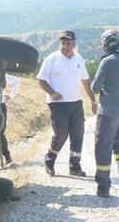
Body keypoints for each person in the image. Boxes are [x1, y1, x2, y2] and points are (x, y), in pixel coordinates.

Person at [37, 30, 97, 177]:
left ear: (74, 44)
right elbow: (41, 79)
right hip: (57, 104)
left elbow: (86, 81)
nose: (65, 46)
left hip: (76, 103)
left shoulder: (79, 59)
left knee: (78, 135)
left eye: (68, 43)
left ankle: (74, 167)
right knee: (61, 134)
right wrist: (52, 93)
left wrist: (93, 100)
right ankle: (49, 162)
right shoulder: (52, 58)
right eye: (63, 43)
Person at [91, 29, 119, 198]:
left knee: (103, 147)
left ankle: (103, 187)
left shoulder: (107, 61)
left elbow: (94, 88)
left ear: (106, 44)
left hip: (108, 113)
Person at [0, 73, 20, 171]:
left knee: (0, 132)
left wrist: (12, 95)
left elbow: (16, 80)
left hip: (0, 105)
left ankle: (6, 155)